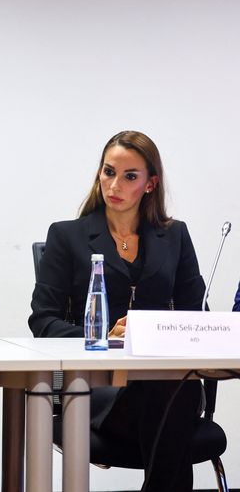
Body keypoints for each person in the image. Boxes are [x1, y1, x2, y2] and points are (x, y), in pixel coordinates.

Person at [28, 130, 205, 491]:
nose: (115, 185)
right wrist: (102, 336)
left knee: (173, 387)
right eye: (109, 172)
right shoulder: (68, 236)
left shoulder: (175, 236)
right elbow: (43, 321)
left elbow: (195, 317)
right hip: (94, 390)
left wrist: (158, 332)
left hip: (165, 383)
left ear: (151, 184)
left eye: (129, 176)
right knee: (174, 399)